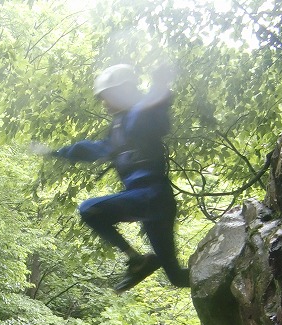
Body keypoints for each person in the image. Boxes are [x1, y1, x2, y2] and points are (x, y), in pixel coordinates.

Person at [39, 63, 190, 293]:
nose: (104, 103)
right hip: (154, 203)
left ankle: (136, 259)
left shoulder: (139, 114)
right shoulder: (119, 129)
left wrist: (160, 83)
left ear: (122, 91)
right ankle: (224, 276)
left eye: (107, 96)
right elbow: (92, 149)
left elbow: (152, 108)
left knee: (89, 209)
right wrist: (58, 152)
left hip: (151, 195)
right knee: (176, 277)